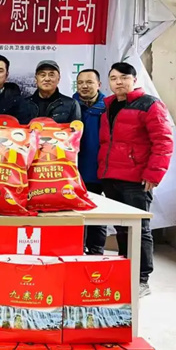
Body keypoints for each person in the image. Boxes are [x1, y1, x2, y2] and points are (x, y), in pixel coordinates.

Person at [98, 62, 173, 298]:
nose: (118, 82)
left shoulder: (149, 104)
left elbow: (163, 140)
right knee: (122, 228)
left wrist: (153, 174)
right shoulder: (108, 105)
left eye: (123, 77)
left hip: (136, 179)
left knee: (139, 229)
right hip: (111, 176)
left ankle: (141, 279)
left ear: (134, 79)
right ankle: (125, 271)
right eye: (113, 78)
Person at [74, 69, 107, 255]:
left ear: (99, 85)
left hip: (99, 169)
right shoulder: (70, 105)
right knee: (76, 215)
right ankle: (76, 250)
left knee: (98, 214)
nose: (84, 86)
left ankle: (96, 252)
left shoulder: (108, 107)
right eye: (80, 83)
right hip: (74, 171)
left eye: (89, 82)